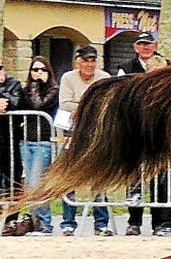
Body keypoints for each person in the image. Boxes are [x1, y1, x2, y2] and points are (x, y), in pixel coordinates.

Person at [117, 33, 171, 236]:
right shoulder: (125, 67)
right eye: (141, 44)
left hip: (161, 133)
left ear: (155, 46)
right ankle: (134, 222)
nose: (145, 47)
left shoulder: (168, 65)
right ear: (135, 47)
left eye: (149, 44)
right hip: (135, 129)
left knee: (161, 178)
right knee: (134, 178)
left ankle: (161, 222)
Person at [59, 45, 112, 236]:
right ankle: (68, 223)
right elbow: (64, 104)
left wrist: (81, 105)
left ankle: (101, 223)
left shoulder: (104, 77)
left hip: (98, 134)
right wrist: (90, 105)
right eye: (86, 60)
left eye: (93, 60)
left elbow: (107, 103)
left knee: (98, 179)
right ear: (78, 62)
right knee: (69, 178)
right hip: (72, 135)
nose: (90, 64)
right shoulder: (68, 78)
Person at [15, 56, 58, 235]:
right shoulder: (25, 91)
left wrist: (37, 86)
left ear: (48, 72)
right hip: (26, 141)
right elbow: (18, 107)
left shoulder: (53, 90)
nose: (38, 73)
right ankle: (35, 221)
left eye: (42, 69)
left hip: (43, 141)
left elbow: (39, 105)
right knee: (29, 184)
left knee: (36, 183)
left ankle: (45, 223)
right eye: (35, 70)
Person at [0, 61, 23, 235]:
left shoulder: (14, 83)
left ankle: (12, 219)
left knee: (13, 179)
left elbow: (14, 102)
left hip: (10, 138)